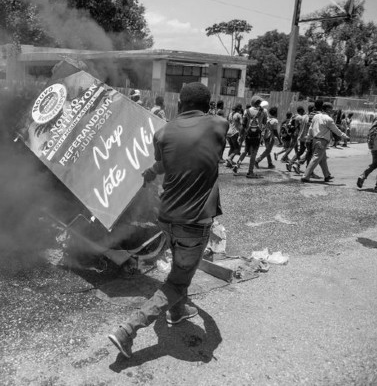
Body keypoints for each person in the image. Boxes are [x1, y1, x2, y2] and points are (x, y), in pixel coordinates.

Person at [108, 82, 228, 359]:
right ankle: (128, 329)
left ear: (178, 105)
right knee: (177, 280)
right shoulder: (218, 125)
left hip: (167, 217)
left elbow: (166, 163)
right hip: (194, 222)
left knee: (178, 268)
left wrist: (149, 173)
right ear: (208, 106)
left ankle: (177, 312)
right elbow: (213, 154)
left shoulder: (162, 133)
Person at [301, 102, 349, 182]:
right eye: (331, 109)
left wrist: (308, 137)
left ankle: (327, 175)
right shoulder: (328, 119)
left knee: (322, 159)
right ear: (327, 109)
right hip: (322, 141)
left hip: (315, 140)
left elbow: (311, 127)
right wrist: (345, 136)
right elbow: (336, 130)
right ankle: (305, 176)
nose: (332, 110)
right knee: (315, 158)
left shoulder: (316, 116)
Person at [233, 96, 267, 178]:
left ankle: (237, 164)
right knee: (253, 153)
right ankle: (250, 172)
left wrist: (241, 135)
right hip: (257, 135)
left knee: (245, 151)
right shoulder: (264, 111)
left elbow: (243, 125)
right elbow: (264, 123)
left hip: (248, 135)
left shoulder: (247, 111)